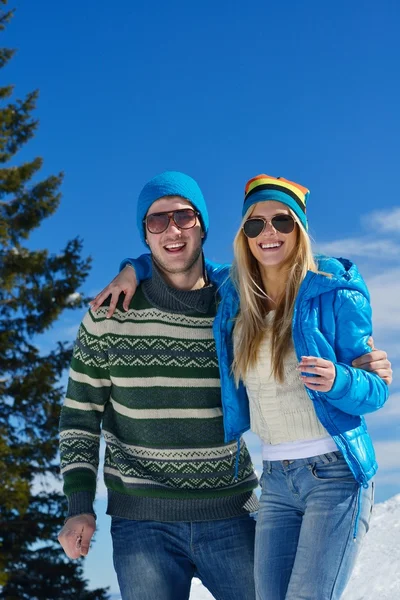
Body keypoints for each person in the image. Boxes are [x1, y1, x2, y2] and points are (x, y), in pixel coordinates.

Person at [92, 172, 392, 600]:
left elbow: (375, 389)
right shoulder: (235, 294)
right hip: (275, 482)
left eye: (281, 221)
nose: (268, 233)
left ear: (300, 228)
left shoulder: (334, 288)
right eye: (256, 224)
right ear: (244, 235)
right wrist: (132, 267)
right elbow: (177, 262)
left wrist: (341, 378)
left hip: (335, 474)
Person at [58, 171, 260, 600]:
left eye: (184, 217)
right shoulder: (109, 315)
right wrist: (79, 507)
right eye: (157, 221)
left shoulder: (237, 303)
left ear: (203, 225)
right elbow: (79, 416)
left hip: (232, 512)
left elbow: (294, 292)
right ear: (144, 236)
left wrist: (356, 353)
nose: (172, 230)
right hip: (142, 525)